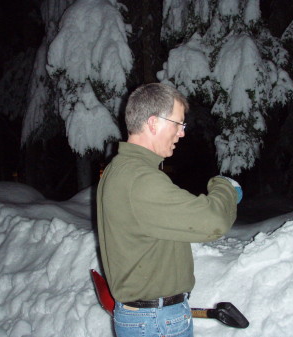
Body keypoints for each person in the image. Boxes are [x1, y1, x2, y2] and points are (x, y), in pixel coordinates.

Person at [97, 83, 241, 337]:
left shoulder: (120, 170)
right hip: (156, 322)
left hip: (150, 318)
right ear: (153, 123)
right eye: (178, 123)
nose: (182, 133)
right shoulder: (139, 179)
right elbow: (214, 221)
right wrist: (225, 187)